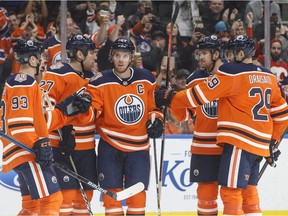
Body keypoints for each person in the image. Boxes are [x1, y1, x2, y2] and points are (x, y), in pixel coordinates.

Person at [155, 35, 288, 215]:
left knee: (235, 193)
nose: (201, 57)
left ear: (217, 54)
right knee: (211, 193)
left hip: (235, 143)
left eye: (205, 53)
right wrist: (273, 142)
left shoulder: (230, 71)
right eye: (198, 53)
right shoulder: (267, 75)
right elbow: (281, 114)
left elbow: (197, 96)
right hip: (215, 145)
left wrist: (170, 97)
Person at [0, 39, 92, 215]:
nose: (43, 62)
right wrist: (39, 144)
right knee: (52, 199)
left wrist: (64, 110)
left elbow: (39, 120)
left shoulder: (19, 83)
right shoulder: (23, 82)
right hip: (27, 151)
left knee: (32, 205)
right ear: (32, 60)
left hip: (19, 150)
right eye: (40, 57)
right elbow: (20, 123)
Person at [86, 37, 163, 215]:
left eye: (125, 56)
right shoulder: (100, 81)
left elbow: (153, 107)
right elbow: (93, 111)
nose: (121, 60)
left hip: (139, 148)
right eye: (118, 55)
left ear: (131, 58)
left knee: (137, 196)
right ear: (111, 57)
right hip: (110, 146)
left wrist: (156, 119)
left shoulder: (145, 78)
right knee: (112, 196)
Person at [40, 34, 97, 215]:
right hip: (60, 146)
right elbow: (43, 110)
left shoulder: (91, 79)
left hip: (87, 147)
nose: (94, 57)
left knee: (85, 196)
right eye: (92, 53)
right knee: (66, 198)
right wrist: (62, 127)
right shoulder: (57, 73)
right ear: (80, 55)